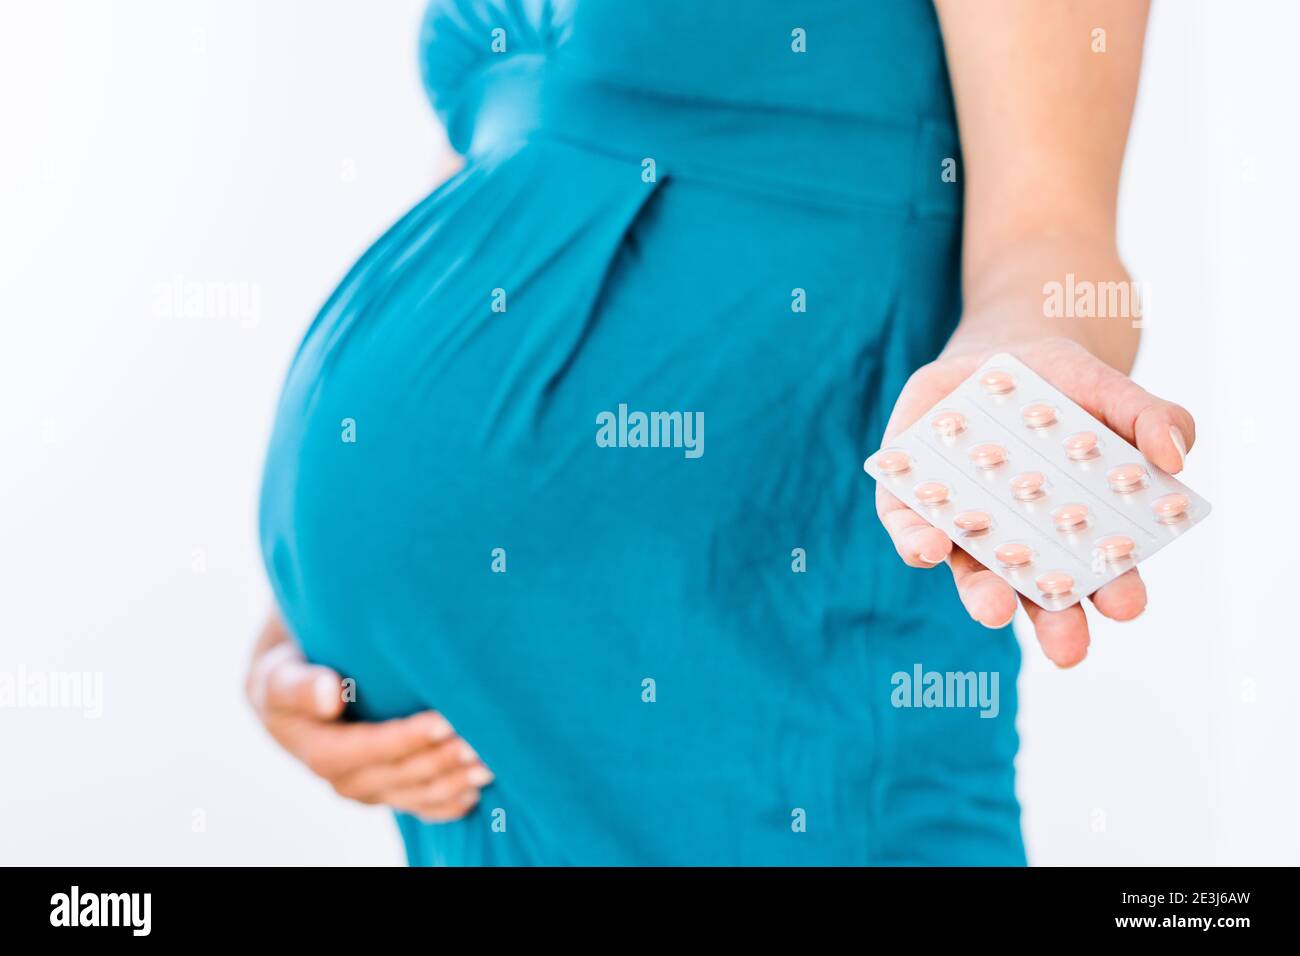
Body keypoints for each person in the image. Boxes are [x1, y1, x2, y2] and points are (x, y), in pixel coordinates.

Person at [249, 0, 1191, 864]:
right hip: (477, 782)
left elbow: (1052, 233)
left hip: (769, 695)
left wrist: (1017, 372)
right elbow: (503, 192)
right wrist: (295, 628)